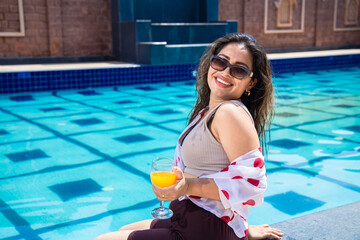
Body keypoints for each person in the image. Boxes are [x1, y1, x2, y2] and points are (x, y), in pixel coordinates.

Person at [94, 33, 283, 240]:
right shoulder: (208, 111)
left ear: (250, 83)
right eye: (220, 61)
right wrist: (244, 228)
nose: (225, 72)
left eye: (238, 70)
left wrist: (187, 186)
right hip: (190, 216)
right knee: (123, 231)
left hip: (204, 229)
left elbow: (252, 185)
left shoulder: (230, 113)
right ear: (211, 64)